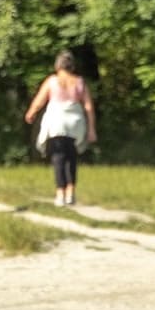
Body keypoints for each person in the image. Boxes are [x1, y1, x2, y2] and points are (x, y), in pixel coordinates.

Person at [23, 51, 97, 206]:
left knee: (58, 157)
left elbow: (39, 100)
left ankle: (60, 193)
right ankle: (71, 192)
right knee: (71, 157)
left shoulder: (52, 81)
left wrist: (31, 112)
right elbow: (88, 106)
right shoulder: (79, 82)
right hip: (74, 123)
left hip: (56, 122)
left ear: (57, 65)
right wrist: (91, 129)